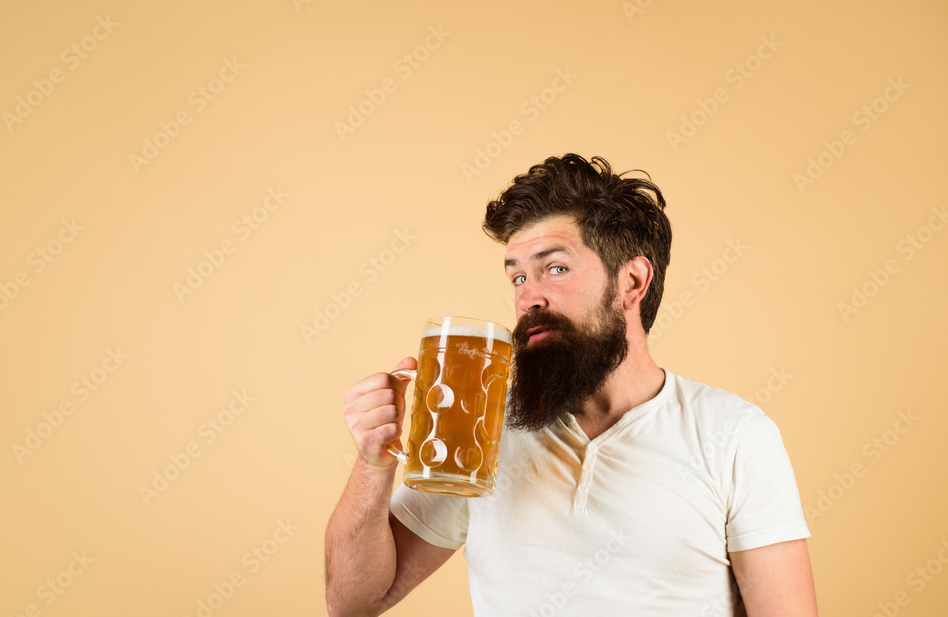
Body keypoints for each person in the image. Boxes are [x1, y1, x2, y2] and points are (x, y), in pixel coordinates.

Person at [325, 154, 817, 616]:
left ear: (632, 282)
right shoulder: (479, 431)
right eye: (518, 278)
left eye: (555, 269)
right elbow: (353, 602)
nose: (528, 299)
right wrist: (375, 462)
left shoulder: (734, 434)